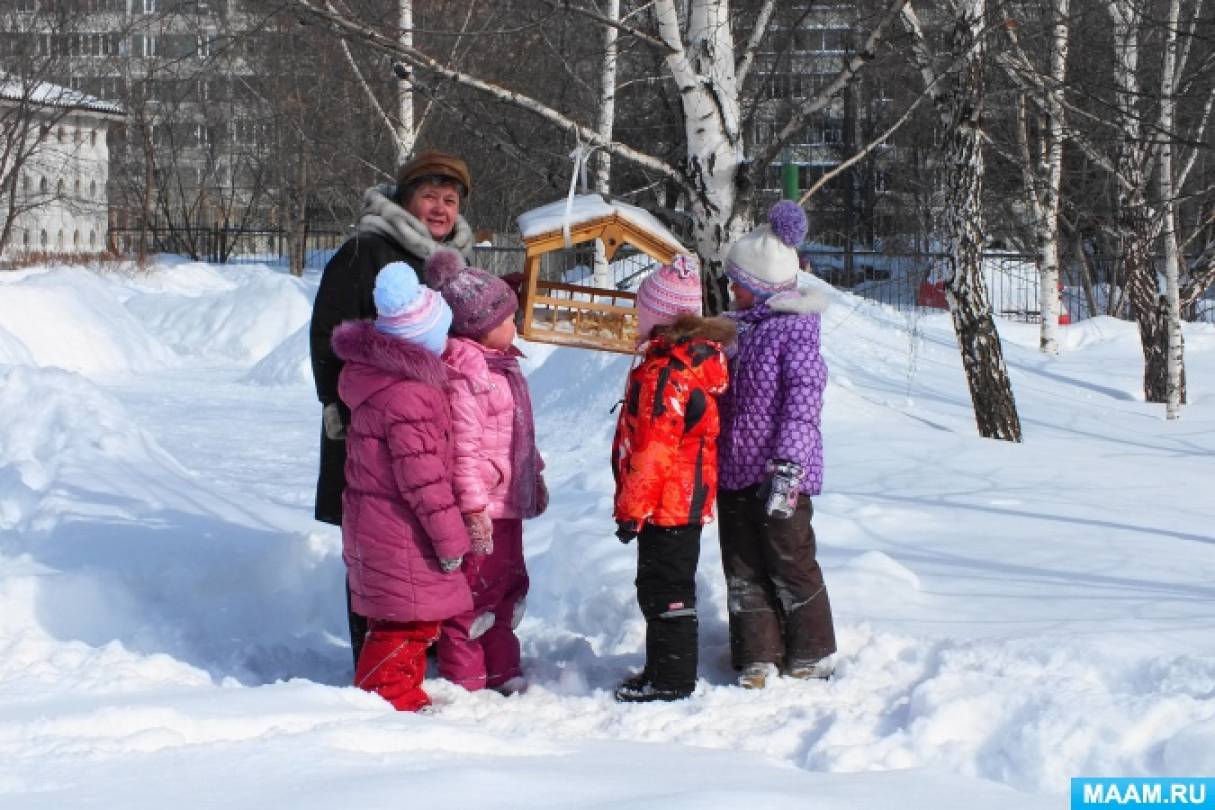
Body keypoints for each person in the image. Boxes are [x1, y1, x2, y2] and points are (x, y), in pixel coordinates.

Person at [309, 150, 475, 666]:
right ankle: (376, 657)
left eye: (450, 200)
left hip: (438, 428)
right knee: (378, 542)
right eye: (429, 196)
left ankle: (423, 649)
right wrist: (339, 405)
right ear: (405, 199)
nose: (440, 209)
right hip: (371, 427)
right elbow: (328, 334)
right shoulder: (367, 252)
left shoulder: (456, 260)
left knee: (430, 535)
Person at [330, 262, 472, 712]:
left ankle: (401, 691)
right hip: (400, 529)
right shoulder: (410, 396)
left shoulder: (383, 382)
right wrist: (451, 538)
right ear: (422, 340)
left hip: (379, 524)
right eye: (442, 334)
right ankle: (385, 700)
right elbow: (423, 479)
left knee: (404, 617)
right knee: (402, 623)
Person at [716, 200, 837, 690]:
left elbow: (803, 403)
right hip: (734, 471)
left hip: (781, 474)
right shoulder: (734, 332)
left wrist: (789, 465)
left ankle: (813, 649)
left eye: (737, 283)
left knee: (790, 559)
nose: (731, 290)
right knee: (742, 564)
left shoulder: (794, 334)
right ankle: (757, 655)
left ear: (761, 287)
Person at [610, 256, 735, 703]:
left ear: (659, 317)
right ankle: (661, 668)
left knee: (665, 589)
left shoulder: (666, 374)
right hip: (682, 500)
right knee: (664, 586)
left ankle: (673, 679)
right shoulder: (690, 364)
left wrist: (631, 510)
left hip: (668, 503)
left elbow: (652, 450)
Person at [424, 247, 547, 695]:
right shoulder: (468, 374)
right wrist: (473, 509)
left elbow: (519, 433)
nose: (515, 326)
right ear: (480, 326)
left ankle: (502, 669)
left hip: (508, 503)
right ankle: (468, 679)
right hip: (484, 509)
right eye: (508, 319)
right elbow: (465, 450)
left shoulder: (505, 366)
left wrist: (533, 473)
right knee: (472, 598)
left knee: (508, 588)